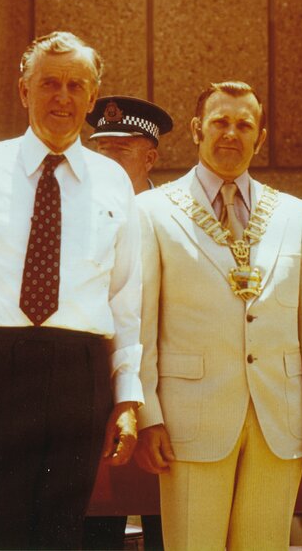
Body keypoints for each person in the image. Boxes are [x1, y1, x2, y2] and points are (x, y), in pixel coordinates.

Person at [0, 30, 143, 550]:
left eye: (75, 86)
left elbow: (126, 301)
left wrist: (126, 396)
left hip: (78, 373)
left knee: (62, 535)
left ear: (91, 95)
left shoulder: (113, 182)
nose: (62, 97)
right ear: (23, 91)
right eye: (49, 84)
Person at [134, 81, 302, 550]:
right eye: (220, 122)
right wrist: (147, 413)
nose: (231, 133)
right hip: (190, 419)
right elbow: (140, 323)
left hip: (279, 419)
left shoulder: (294, 214)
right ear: (196, 130)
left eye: (244, 124)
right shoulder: (151, 211)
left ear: (260, 137)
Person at [84, 95, 172, 550]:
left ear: (150, 156)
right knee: (96, 529)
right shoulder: (76, 216)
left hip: (165, 401)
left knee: (165, 530)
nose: (107, 160)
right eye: (100, 150)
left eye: (120, 150)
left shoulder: (176, 217)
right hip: (97, 392)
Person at [87, 95, 173, 193]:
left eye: (122, 150)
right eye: (104, 148)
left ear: (149, 159)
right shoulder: (82, 206)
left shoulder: (165, 207)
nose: (110, 160)